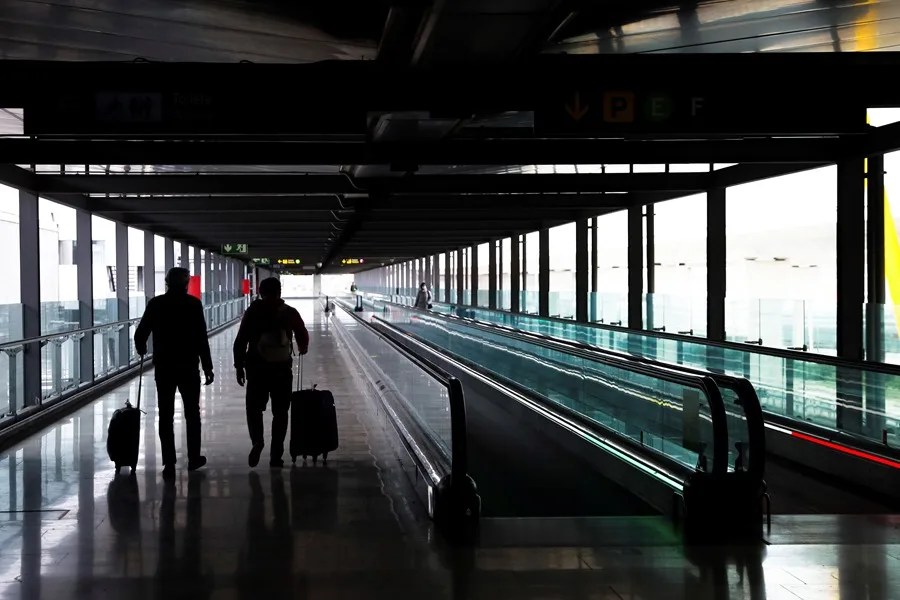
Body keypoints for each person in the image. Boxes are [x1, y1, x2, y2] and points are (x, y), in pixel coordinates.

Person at [135, 267, 214, 481]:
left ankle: (169, 463)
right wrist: (207, 366)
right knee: (192, 413)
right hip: (188, 366)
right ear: (186, 284)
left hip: (165, 366)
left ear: (167, 283)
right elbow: (201, 338)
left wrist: (141, 347)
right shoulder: (193, 304)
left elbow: (140, 333)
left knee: (166, 415)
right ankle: (194, 458)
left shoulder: (156, 304)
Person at [233, 277, 309, 468]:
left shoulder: (253, 312)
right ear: (279, 292)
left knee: (254, 408)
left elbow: (240, 340)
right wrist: (302, 347)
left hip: (257, 369)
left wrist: (238, 366)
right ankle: (276, 455)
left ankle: (258, 441)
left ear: (260, 292)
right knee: (281, 412)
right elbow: (302, 333)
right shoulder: (289, 312)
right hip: (282, 369)